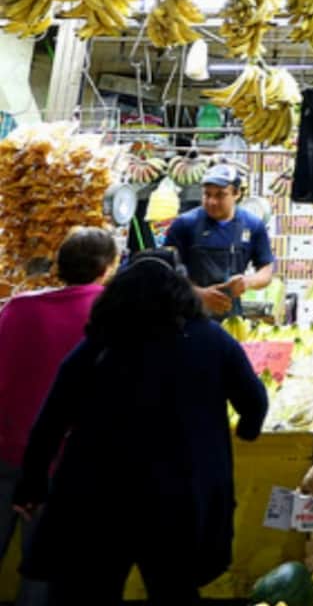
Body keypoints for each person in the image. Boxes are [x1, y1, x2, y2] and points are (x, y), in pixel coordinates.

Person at [11, 249, 269, 606]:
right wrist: (248, 430)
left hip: (101, 496)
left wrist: (32, 484)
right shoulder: (211, 340)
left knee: (91, 591)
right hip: (179, 495)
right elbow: (254, 402)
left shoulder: (100, 344)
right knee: (174, 589)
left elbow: (52, 417)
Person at [0, 227, 118, 606]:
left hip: (7, 452)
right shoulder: (111, 313)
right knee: (41, 573)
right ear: (107, 268)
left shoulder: (17, 308)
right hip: (67, 466)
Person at [164, 164, 274, 318]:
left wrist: (247, 282)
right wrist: (199, 294)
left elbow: (266, 271)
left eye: (220, 195)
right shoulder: (184, 224)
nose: (211, 201)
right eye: (207, 194)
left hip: (231, 315)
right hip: (188, 314)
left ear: (236, 193)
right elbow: (166, 273)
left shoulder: (253, 225)